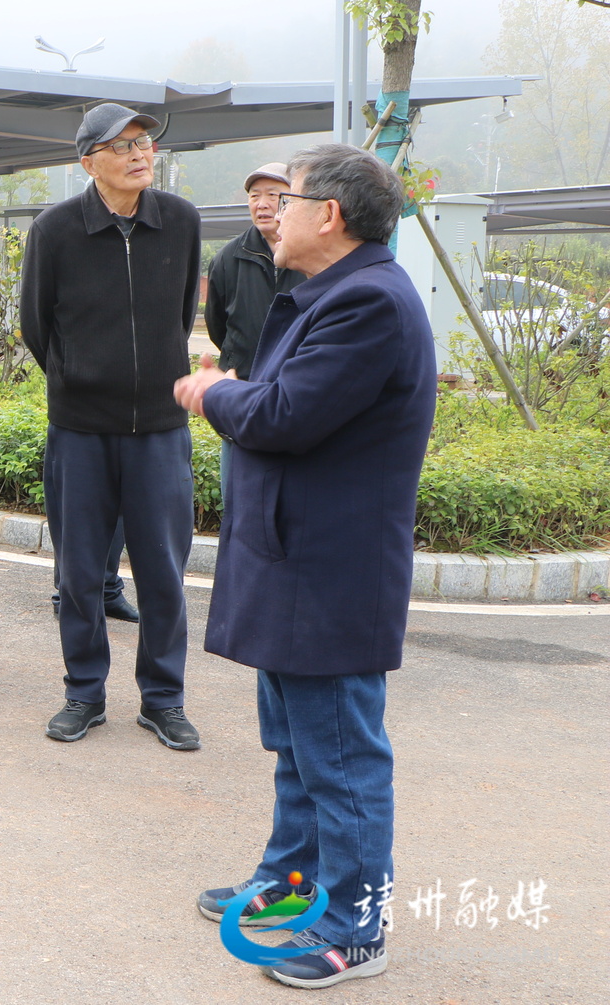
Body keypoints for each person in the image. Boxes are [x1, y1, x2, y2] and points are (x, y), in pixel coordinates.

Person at [178, 144, 430, 989]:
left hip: (331, 570)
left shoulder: (369, 302)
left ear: (329, 215)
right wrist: (238, 392)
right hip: (296, 558)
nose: (272, 212)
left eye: (285, 198)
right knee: (298, 746)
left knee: (342, 756)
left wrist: (212, 393)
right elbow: (283, 399)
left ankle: (356, 928)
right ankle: (293, 886)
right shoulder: (332, 292)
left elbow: (284, 413)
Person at [19, 104, 202, 750]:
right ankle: (84, 692)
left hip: (161, 430)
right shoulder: (55, 230)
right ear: (88, 162)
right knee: (78, 573)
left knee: (163, 573)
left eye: (143, 142)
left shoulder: (180, 221)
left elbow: (182, 312)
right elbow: (36, 324)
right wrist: (78, 378)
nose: (139, 153)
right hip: (80, 432)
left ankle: (164, 698)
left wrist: (153, 378)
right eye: (121, 146)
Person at [205, 162, 308, 500]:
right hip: (243, 399)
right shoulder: (228, 258)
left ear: (295, 200)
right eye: (254, 196)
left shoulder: (311, 257)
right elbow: (218, 326)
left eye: (273, 195)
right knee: (238, 501)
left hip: (296, 399)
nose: (262, 204)